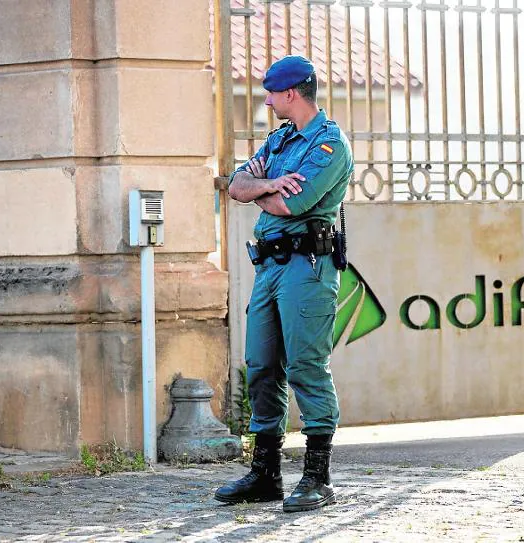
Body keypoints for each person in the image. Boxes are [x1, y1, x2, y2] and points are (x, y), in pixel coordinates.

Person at [214, 55, 354, 513]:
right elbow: (235, 186)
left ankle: (318, 477)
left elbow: (292, 207)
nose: (268, 100)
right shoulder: (278, 142)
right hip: (270, 268)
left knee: (305, 366)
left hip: (307, 267)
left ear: (291, 93)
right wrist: (271, 183)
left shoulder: (329, 146)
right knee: (261, 366)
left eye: (272, 93)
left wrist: (264, 193)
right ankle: (266, 473)